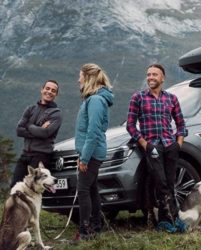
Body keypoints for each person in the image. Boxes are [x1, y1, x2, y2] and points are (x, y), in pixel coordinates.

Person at [126, 63, 187, 233]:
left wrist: (178, 143)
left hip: (169, 145)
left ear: (162, 78)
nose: (150, 77)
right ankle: (170, 220)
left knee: (170, 183)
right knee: (160, 183)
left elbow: (181, 124)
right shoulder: (138, 98)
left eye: (154, 74)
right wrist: (146, 144)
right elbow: (130, 125)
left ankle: (169, 220)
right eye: (148, 74)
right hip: (152, 146)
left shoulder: (171, 99)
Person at [74, 63, 114, 241]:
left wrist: (84, 158)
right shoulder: (93, 99)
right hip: (90, 152)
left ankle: (85, 231)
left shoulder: (96, 100)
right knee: (91, 189)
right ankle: (95, 228)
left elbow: (93, 131)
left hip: (92, 153)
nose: (78, 79)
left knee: (83, 190)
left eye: (80, 76)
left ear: (88, 78)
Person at [11, 80, 62, 188]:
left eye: (53, 90)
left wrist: (28, 125)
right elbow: (19, 130)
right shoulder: (31, 109)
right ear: (42, 89)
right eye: (47, 88)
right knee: (15, 186)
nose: (49, 92)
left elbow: (45, 133)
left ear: (56, 94)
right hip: (25, 154)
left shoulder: (56, 114)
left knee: (32, 189)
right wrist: (37, 129)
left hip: (41, 156)